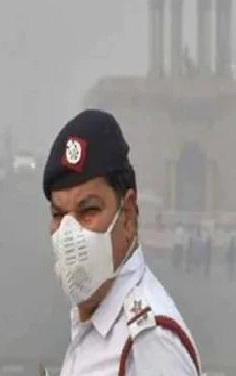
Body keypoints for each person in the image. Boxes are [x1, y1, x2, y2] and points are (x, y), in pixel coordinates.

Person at [43, 110, 200, 375]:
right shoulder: (96, 322)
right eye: (59, 215)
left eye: (89, 211)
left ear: (127, 216)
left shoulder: (150, 340)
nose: (69, 234)